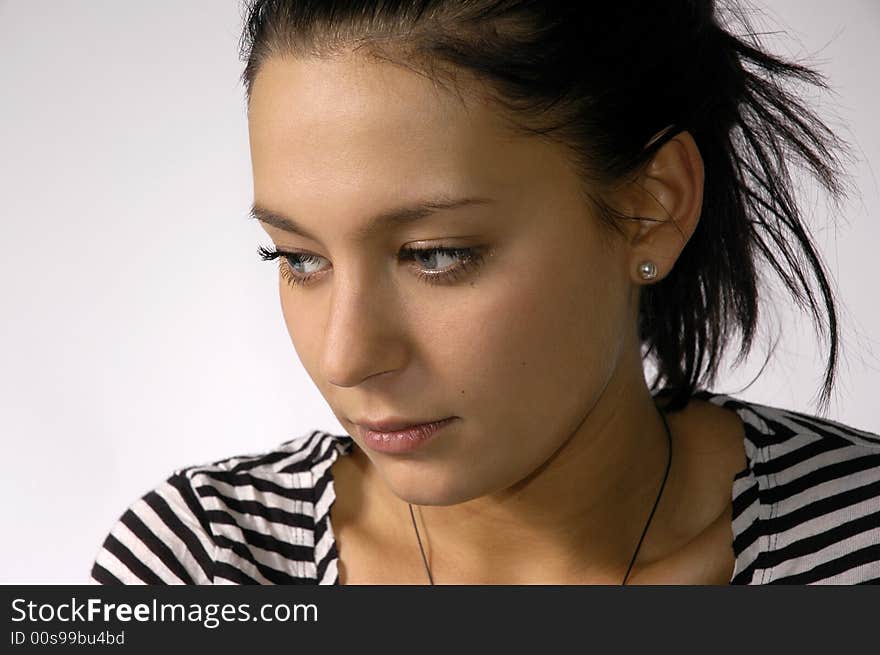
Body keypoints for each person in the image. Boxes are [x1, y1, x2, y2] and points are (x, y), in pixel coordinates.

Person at [90, 0, 880, 585]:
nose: (347, 356)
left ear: (653, 206)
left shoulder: (858, 541)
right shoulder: (206, 563)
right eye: (298, 258)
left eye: (435, 254)